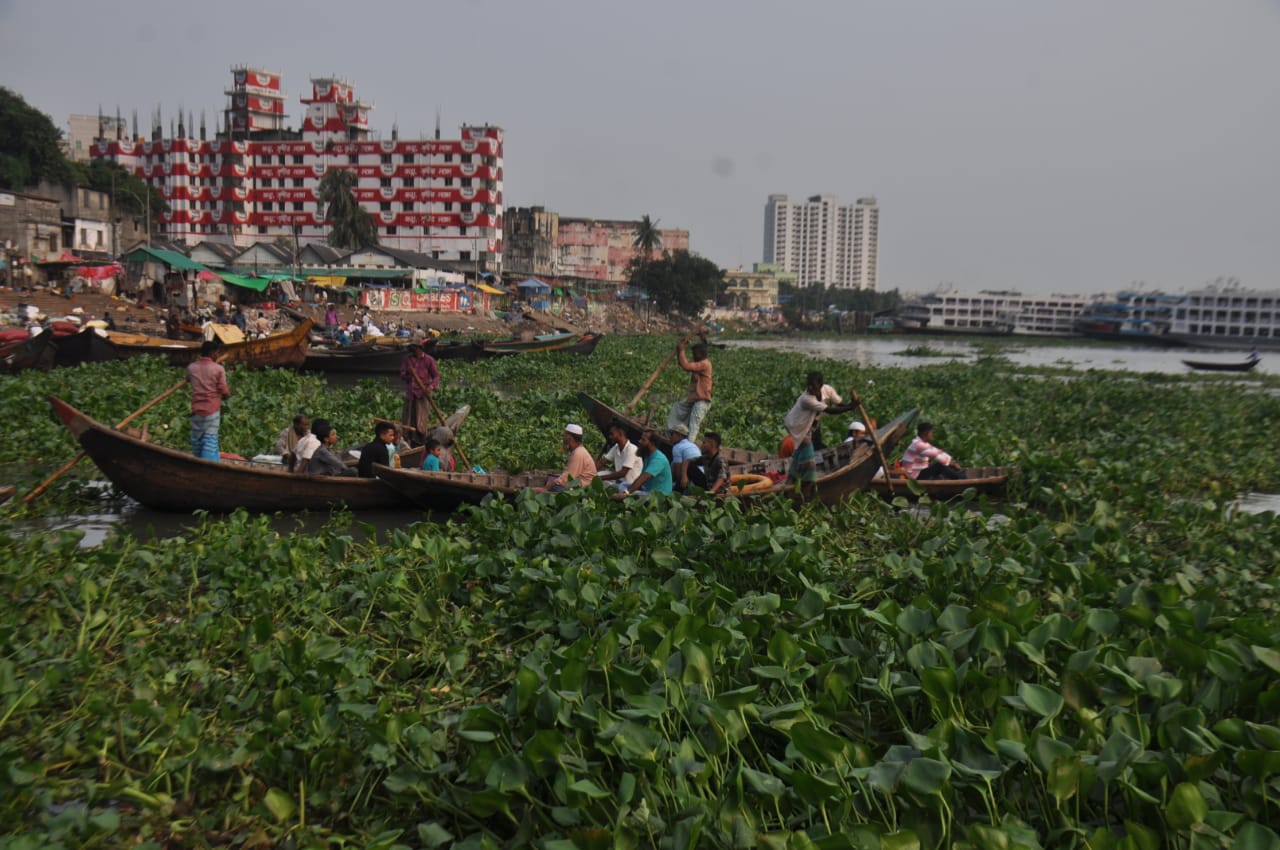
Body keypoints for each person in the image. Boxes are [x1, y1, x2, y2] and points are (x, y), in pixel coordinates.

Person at [783, 371, 860, 493]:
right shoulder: (807, 399)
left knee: (801, 452)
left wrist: (850, 405)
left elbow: (839, 404)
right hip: (797, 426)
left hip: (811, 424)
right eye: (809, 385)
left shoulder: (827, 390)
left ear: (820, 385)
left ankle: (791, 479)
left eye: (813, 386)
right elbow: (830, 410)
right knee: (809, 455)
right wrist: (850, 407)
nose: (810, 388)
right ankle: (808, 486)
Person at [187, 340, 229, 461]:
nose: (217, 355)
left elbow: (188, 379)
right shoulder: (218, 369)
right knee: (210, 440)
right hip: (212, 411)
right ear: (212, 353)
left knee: (197, 440)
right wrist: (227, 396)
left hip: (196, 411)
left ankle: (198, 462)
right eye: (216, 352)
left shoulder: (191, 367)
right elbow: (224, 391)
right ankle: (208, 467)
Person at [667, 338, 712, 443]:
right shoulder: (699, 363)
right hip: (694, 399)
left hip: (702, 400)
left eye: (695, 354)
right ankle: (673, 433)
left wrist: (682, 349)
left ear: (701, 354)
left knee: (694, 424)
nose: (693, 356)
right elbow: (683, 363)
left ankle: (689, 445)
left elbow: (686, 366)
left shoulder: (704, 363)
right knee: (677, 407)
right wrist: (680, 350)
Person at [535, 424, 597, 492]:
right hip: (578, 485)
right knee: (552, 483)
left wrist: (545, 488)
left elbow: (566, 478)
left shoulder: (578, 453)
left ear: (570, 438)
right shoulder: (578, 451)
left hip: (583, 489)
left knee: (555, 488)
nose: (563, 439)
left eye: (564, 436)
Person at [614, 429, 673, 499]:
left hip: (659, 496)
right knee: (623, 485)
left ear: (652, 443)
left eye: (643, 440)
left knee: (626, 493)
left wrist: (626, 493)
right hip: (647, 489)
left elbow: (644, 477)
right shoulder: (648, 455)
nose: (639, 441)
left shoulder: (659, 459)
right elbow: (641, 477)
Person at [901, 422, 966, 481]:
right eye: (931, 432)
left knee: (940, 465)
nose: (932, 435)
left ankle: (958, 476)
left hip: (917, 472)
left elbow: (937, 451)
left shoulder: (920, 442)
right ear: (926, 433)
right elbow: (938, 457)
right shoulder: (919, 445)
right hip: (912, 477)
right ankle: (961, 478)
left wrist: (952, 462)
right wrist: (953, 465)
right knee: (939, 465)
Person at [399, 342, 440, 434]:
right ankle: (408, 436)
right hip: (411, 393)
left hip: (423, 393)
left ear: (419, 348)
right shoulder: (407, 359)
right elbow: (402, 375)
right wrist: (408, 374)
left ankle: (421, 436)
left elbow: (436, 376)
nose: (412, 350)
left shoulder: (429, 360)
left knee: (421, 419)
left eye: (413, 348)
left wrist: (431, 387)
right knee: (408, 418)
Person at [596, 421, 643, 491]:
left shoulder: (632, 449)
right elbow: (602, 462)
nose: (610, 437)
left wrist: (600, 478)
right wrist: (589, 473)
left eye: (612, 434)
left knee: (600, 480)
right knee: (597, 476)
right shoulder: (616, 447)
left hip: (629, 486)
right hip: (619, 482)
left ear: (620, 432)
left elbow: (622, 473)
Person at [668, 423, 703, 492]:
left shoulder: (677, 447)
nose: (670, 437)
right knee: (672, 463)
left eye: (672, 434)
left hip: (692, 482)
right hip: (701, 479)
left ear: (680, 435)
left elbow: (678, 473)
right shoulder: (692, 445)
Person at [812, 383, 844, 451]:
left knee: (817, 444)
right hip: (808, 426)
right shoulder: (809, 396)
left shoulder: (827, 390)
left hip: (815, 424)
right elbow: (831, 410)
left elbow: (840, 403)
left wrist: (849, 406)